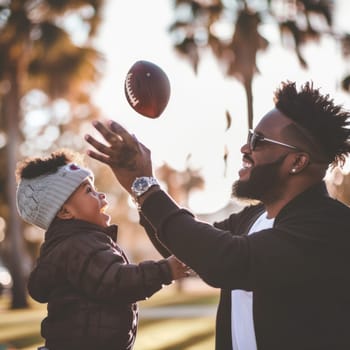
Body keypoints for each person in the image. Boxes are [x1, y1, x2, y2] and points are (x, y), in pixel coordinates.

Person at [85, 80, 350, 350]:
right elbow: (191, 250)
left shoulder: (331, 226)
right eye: (249, 137)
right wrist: (137, 187)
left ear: (297, 162)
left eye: (258, 141)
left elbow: (225, 260)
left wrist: (148, 189)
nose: (245, 149)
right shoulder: (253, 218)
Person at [15, 149, 189, 350]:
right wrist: (164, 271)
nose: (101, 194)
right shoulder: (79, 247)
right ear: (64, 211)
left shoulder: (82, 242)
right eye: (88, 191)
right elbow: (117, 281)